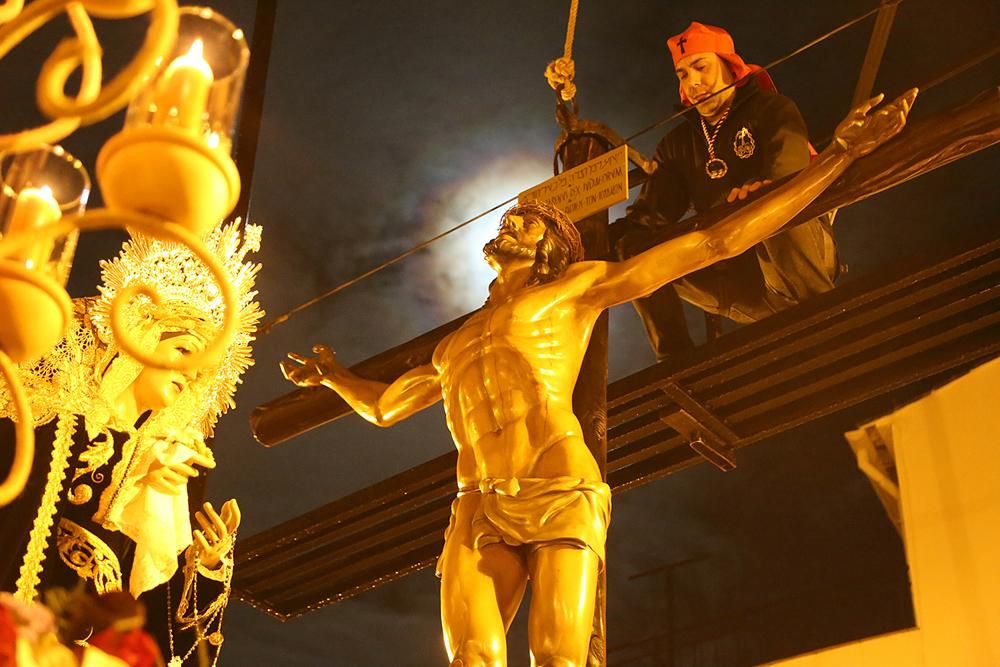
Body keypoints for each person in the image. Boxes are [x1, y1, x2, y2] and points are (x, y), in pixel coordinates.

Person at [282, 90, 915, 667]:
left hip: (557, 483)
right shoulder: (454, 345)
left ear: (553, 248)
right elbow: (387, 407)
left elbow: (714, 245)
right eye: (513, 218)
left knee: (558, 659)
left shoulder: (576, 290)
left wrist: (835, 156)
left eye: (527, 221)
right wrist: (335, 377)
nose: (513, 221)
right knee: (471, 658)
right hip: (477, 499)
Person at [615, 21, 841, 360]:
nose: (692, 83)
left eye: (700, 67)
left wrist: (761, 190)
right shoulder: (677, 145)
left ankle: (831, 317)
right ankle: (674, 360)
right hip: (739, 282)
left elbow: (792, 173)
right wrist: (606, 245)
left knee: (771, 201)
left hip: (797, 259)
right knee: (633, 248)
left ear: (728, 64)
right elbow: (650, 216)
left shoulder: (772, 109)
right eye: (682, 75)